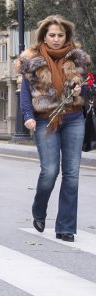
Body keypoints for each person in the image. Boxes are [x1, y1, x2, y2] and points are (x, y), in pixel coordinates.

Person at [15, 15, 90, 243]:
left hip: (74, 118)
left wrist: (81, 92)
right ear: (44, 36)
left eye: (60, 35)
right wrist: (27, 116)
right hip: (44, 120)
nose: (56, 39)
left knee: (72, 175)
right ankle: (39, 208)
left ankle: (66, 227)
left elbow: (88, 90)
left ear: (66, 36)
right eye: (52, 35)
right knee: (49, 171)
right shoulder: (32, 59)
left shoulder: (78, 59)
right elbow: (26, 93)